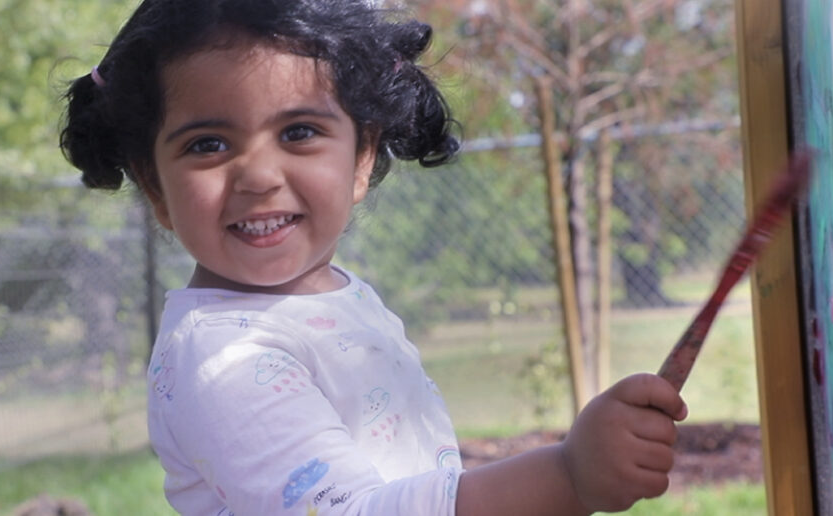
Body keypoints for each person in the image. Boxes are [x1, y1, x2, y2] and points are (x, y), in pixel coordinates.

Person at [59, 1, 688, 514]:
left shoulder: (339, 294)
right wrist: (566, 476)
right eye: (209, 143)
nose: (257, 174)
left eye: (298, 132)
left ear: (362, 157)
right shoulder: (223, 360)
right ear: (154, 188)